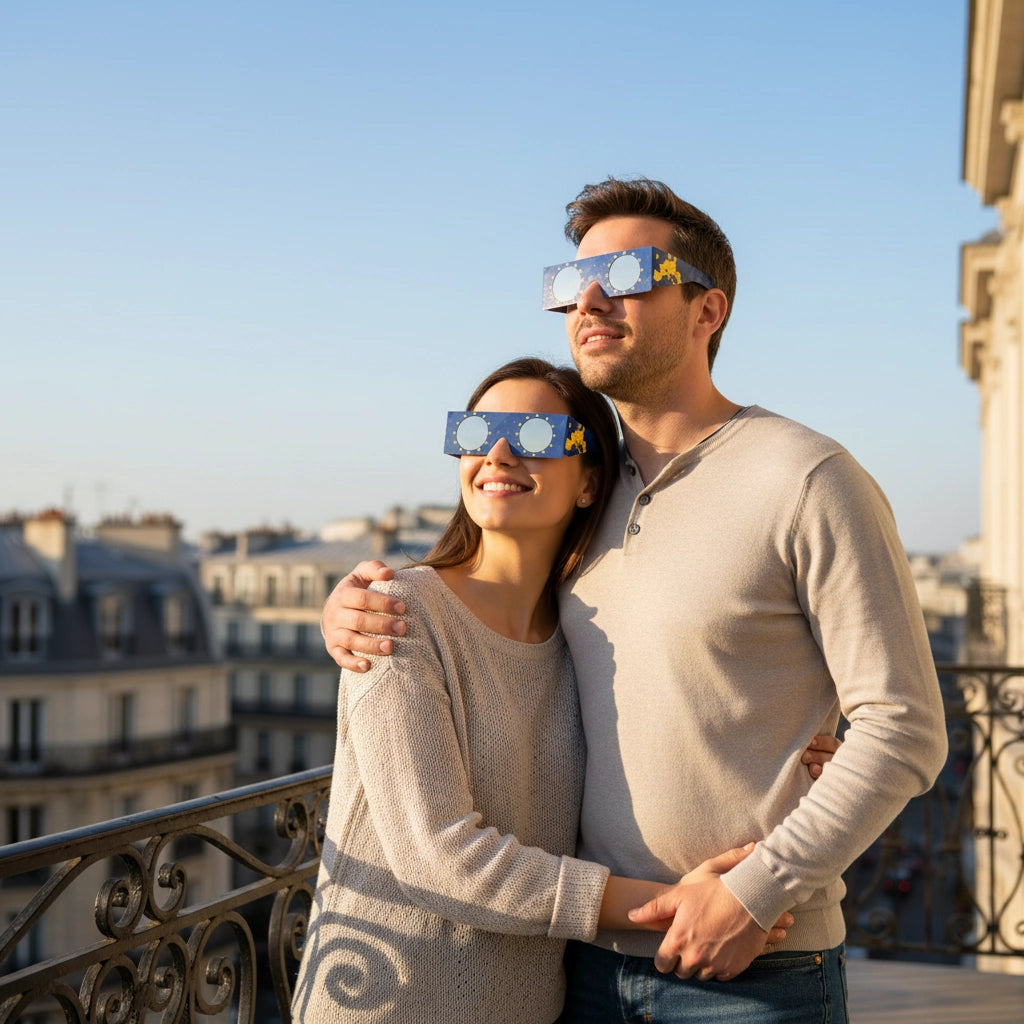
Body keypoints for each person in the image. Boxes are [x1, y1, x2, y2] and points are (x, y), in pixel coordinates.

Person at [319, 178, 947, 1024]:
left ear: (707, 310)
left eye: (625, 275)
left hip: (756, 968)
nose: (587, 300)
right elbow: (482, 603)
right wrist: (352, 607)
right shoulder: (577, 491)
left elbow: (904, 727)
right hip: (579, 970)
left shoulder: (807, 478)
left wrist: (754, 892)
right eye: (571, 282)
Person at [292, 356, 821, 1024]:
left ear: (589, 481)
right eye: (476, 433)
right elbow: (437, 855)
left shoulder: (585, 640)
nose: (498, 454)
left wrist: (808, 746)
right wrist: (672, 908)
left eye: (536, 435)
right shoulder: (397, 614)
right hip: (385, 1000)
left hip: (534, 1006)